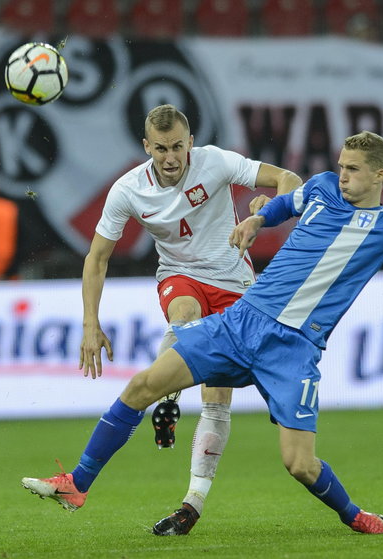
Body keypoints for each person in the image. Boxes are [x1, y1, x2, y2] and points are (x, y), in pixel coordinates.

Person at [22, 131, 383, 535]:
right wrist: (259, 217)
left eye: (352, 169)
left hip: (293, 350)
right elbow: (289, 204)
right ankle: (77, 484)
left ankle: (359, 519)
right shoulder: (323, 187)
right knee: (141, 386)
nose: (341, 173)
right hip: (243, 321)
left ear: (379, 175)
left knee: (299, 464)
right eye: (341, 164)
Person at [77, 104, 302, 535]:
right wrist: (91, 323)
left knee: (217, 398)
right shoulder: (127, 189)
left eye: (178, 146)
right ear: (147, 147)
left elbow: (290, 179)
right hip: (180, 277)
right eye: (160, 148)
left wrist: (268, 208)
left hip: (236, 283)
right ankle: (169, 398)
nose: (170, 157)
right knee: (183, 313)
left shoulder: (215, 161)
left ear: (190, 142)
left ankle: (192, 503)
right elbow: (97, 257)